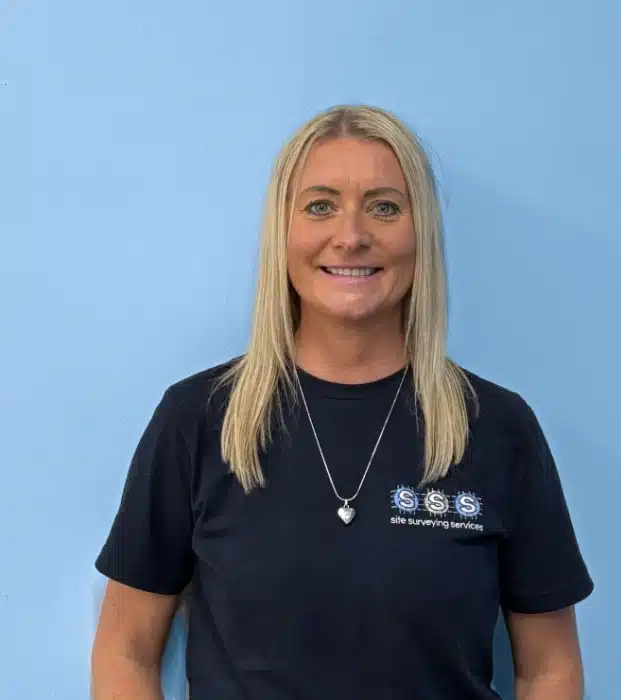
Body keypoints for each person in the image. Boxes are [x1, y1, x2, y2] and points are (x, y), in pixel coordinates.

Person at [91, 104, 594, 700]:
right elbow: (125, 649)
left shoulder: (497, 427)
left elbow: (549, 668)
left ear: (421, 234)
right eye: (320, 206)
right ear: (283, 231)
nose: (351, 237)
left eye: (385, 207)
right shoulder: (198, 419)